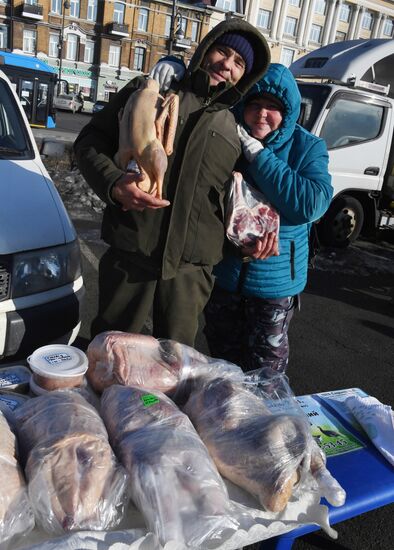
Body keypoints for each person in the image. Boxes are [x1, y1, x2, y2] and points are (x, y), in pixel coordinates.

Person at [74, 19, 270, 346]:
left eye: (239, 63)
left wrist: (246, 242)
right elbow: (89, 143)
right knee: (111, 360)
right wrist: (114, 183)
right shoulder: (151, 91)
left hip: (190, 276)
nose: (227, 65)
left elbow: (234, 200)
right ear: (206, 50)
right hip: (131, 261)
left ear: (245, 75)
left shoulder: (232, 129)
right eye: (223, 51)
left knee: (173, 371)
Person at [204, 63, 333, 373]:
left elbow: (310, 204)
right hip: (225, 276)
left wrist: (258, 155)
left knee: (266, 372)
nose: (262, 114)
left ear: (288, 112)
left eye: (273, 107)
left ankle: (265, 422)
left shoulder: (308, 146)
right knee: (224, 369)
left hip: (275, 284)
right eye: (255, 104)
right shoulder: (226, 137)